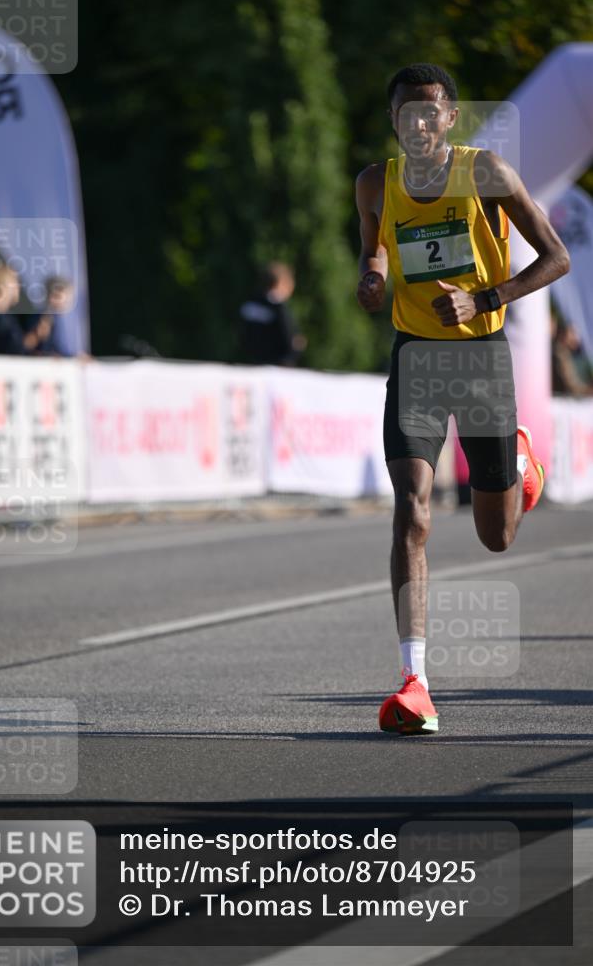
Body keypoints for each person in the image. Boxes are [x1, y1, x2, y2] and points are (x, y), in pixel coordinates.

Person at [355, 63, 570, 734]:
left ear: (449, 118)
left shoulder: (486, 175)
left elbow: (555, 257)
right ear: (393, 121)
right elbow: (376, 250)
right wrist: (371, 274)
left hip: (479, 357)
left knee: (495, 536)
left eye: (430, 113)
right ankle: (413, 680)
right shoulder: (373, 183)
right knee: (411, 514)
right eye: (406, 114)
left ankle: (519, 466)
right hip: (415, 358)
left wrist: (484, 298)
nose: (418, 124)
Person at [240, 262, 307, 366]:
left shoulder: (250, 304)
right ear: (281, 283)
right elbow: (287, 337)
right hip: (276, 366)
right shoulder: (278, 307)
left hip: (251, 363)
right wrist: (296, 347)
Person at [0, 265, 50, 355]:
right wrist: (36, 335)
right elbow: (13, 348)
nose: (18, 287)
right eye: (15, 282)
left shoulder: (4, 315)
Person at [551, 315, 593, 396]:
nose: (576, 337)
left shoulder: (569, 353)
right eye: (573, 333)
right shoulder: (559, 353)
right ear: (563, 334)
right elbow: (571, 384)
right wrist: (587, 390)